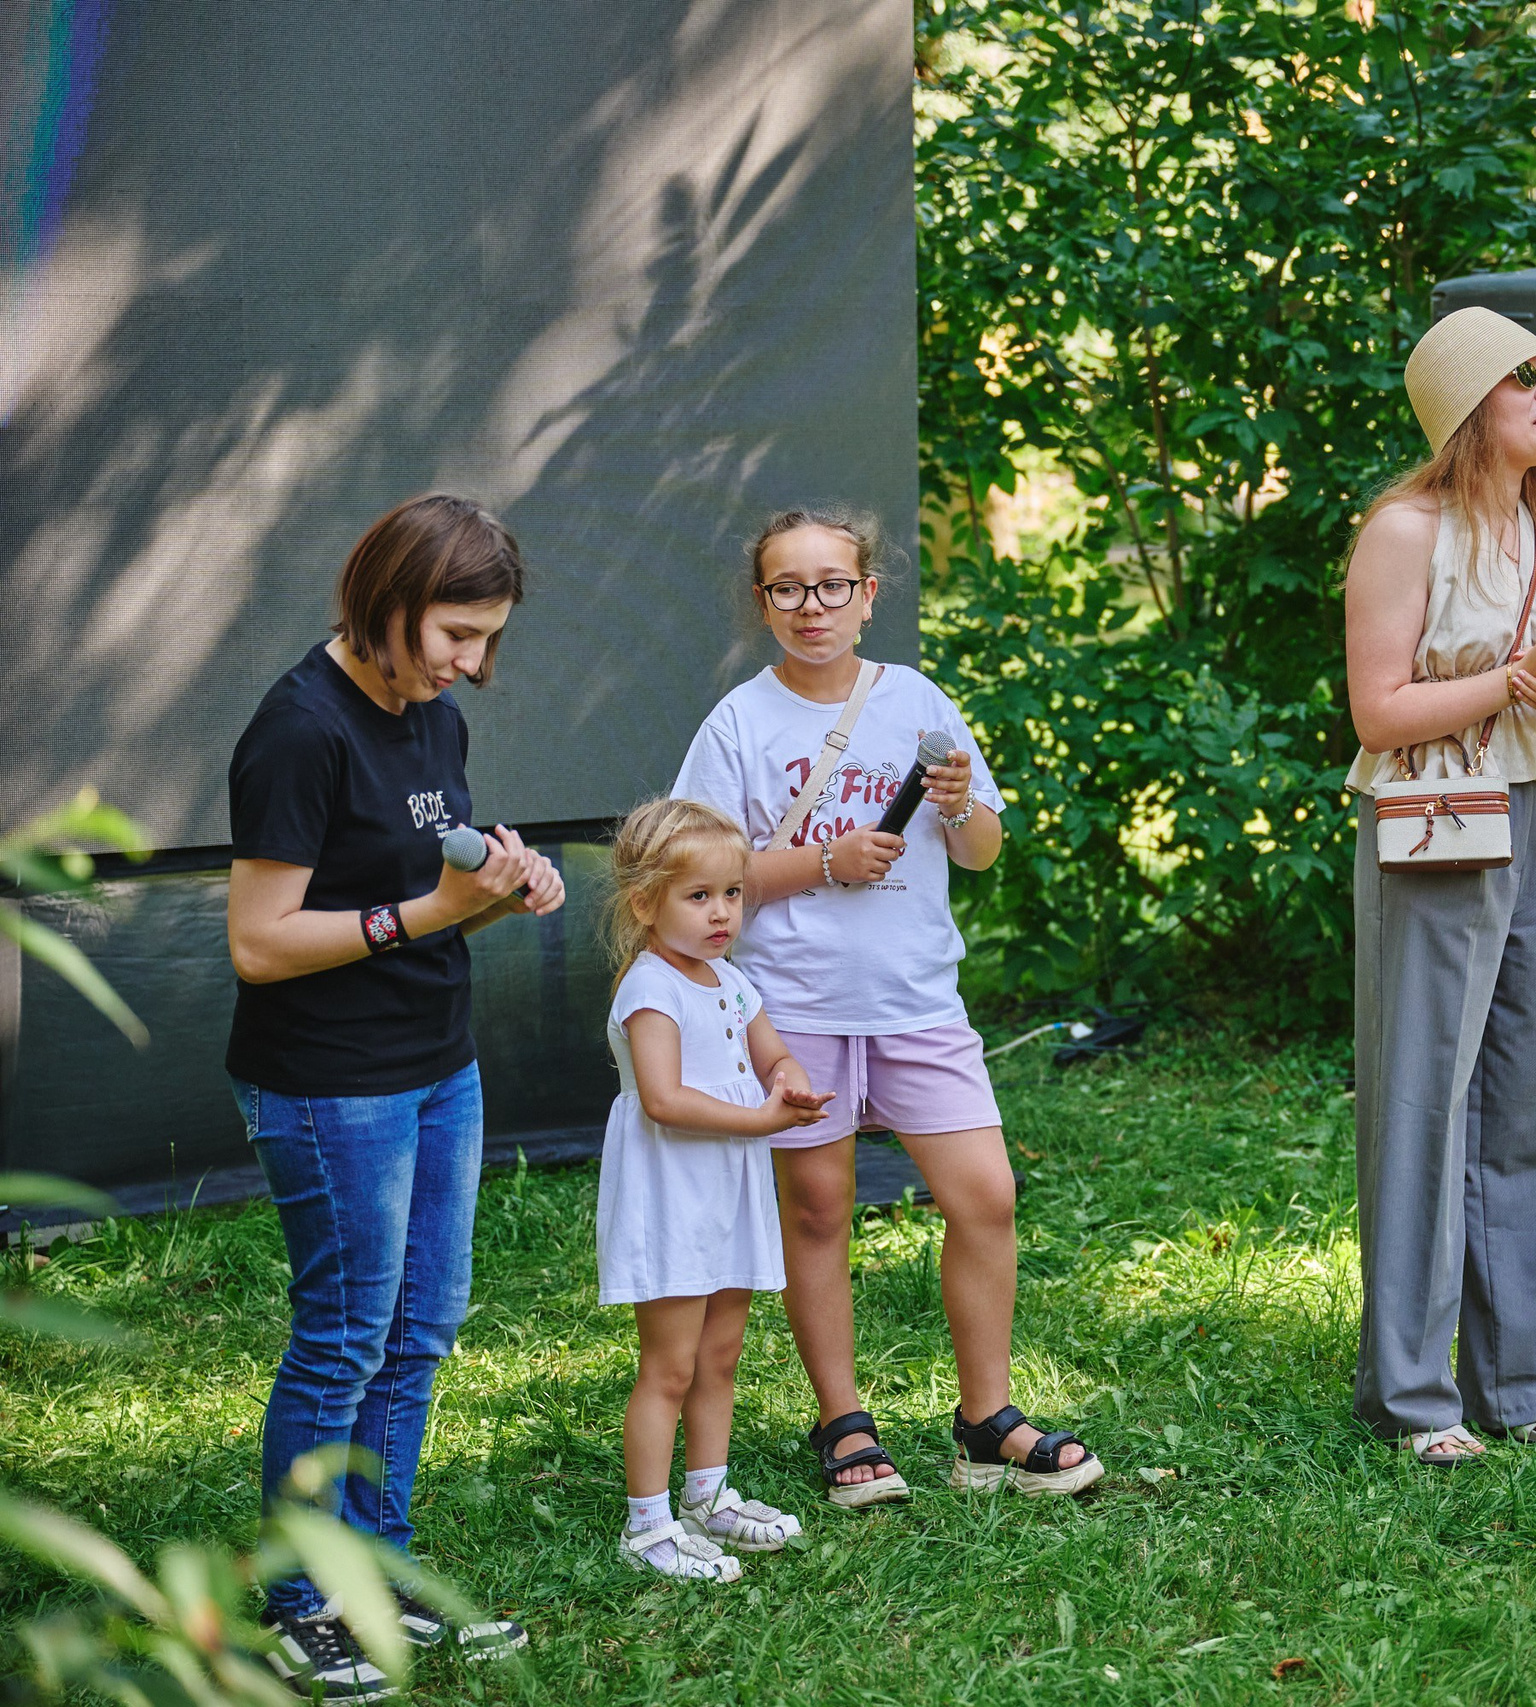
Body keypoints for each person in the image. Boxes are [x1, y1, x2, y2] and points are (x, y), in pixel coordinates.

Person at [672, 507, 1104, 1501]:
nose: (811, 605)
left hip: (917, 1002)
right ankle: (844, 1424)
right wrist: (823, 860)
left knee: (985, 1195)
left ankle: (985, 1420)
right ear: (762, 602)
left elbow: (984, 847)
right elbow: (699, 867)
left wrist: (954, 805)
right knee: (819, 1209)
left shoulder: (914, 699)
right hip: (795, 1004)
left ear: (868, 596)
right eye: (788, 587)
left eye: (832, 585)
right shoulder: (739, 721)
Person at [225, 494, 565, 1699]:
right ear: (385, 601)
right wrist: (428, 913)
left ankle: (375, 1562)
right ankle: (299, 1601)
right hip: (328, 1084)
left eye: (487, 641)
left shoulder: (426, 715)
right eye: (455, 635)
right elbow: (259, 944)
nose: (472, 666)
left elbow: (432, 845)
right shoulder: (298, 729)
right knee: (343, 1338)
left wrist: (499, 867)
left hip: (437, 1061)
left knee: (419, 1327)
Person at [1340, 306, 1536, 1465]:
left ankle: (1533, 1383)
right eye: (1523, 382)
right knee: (1424, 1099)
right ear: (1465, 407)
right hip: (1436, 817)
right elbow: (1378, 711)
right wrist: (1515, 679)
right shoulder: (1405, 530)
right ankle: (1416, 1396)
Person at [599, 797, 831, 1581]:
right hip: (670, 1193)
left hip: (726, 1189)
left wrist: (789, 1080)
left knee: (720, 1351)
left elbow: (773, 1056)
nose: (721, 911)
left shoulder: (730, 980)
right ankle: (648, 1524)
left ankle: (707, 1494)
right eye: (698, 896)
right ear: (645, 902)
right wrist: (761, 1120)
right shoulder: (650, 988)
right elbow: (662, 1097)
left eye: (731, 893)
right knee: (669, 1363)